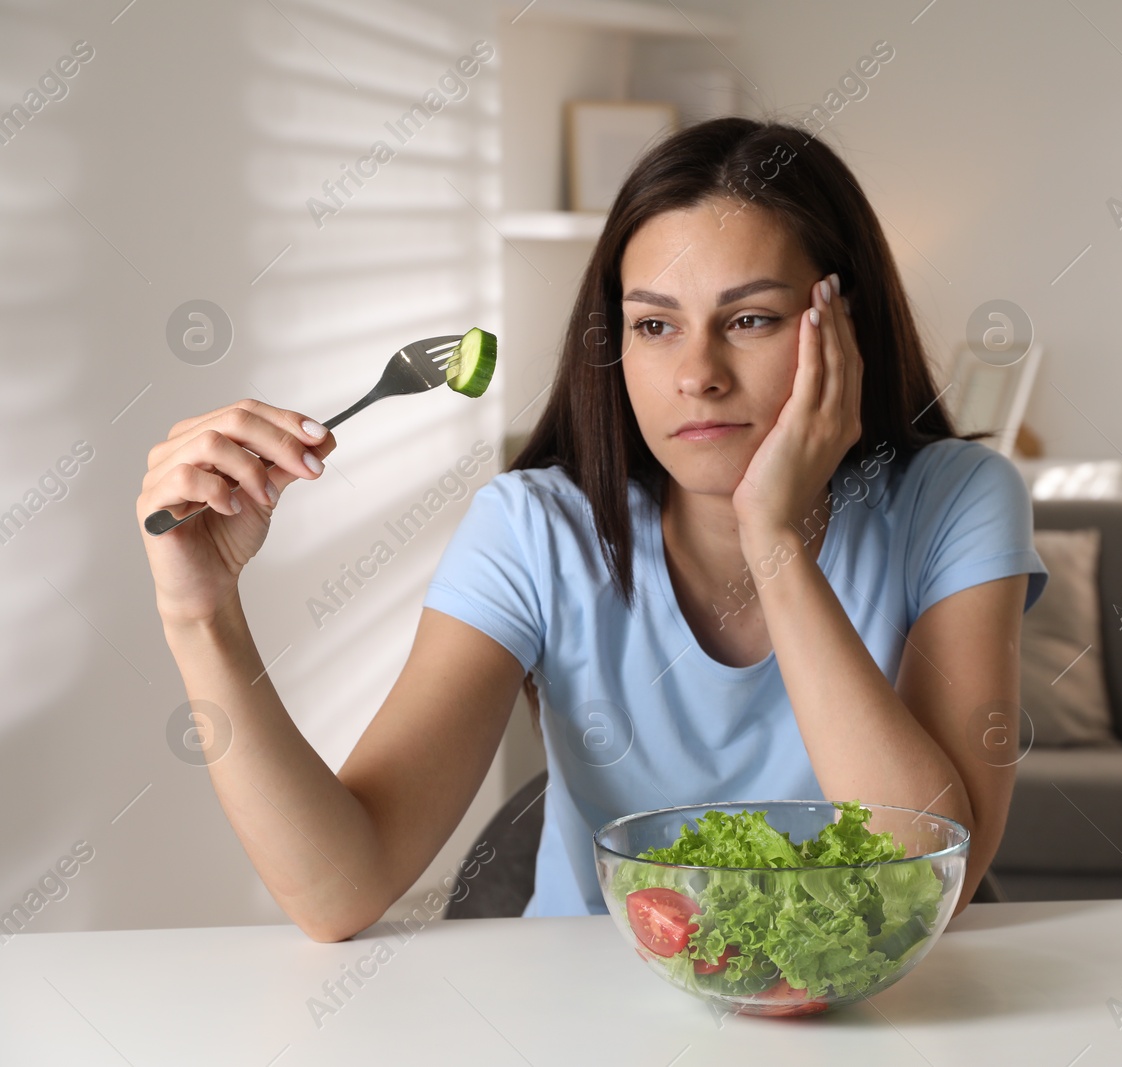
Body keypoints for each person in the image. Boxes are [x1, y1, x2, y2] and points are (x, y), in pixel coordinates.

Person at [138, 117, 1048, 941]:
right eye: (655, 324)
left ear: (844, 328)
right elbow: (338, 889)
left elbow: (931, 874)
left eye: (752, 319)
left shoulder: (957, 501)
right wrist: (201, 612)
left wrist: (772, 539)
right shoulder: (534, 529)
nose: (697, 372)